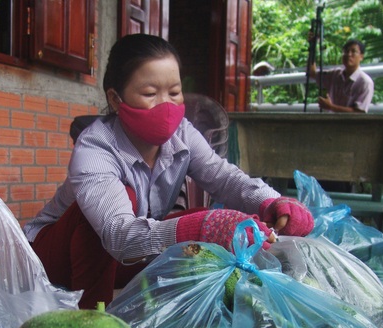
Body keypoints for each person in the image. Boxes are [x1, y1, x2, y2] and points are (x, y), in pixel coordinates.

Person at [24, 34, 314, 309]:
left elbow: (223, 177)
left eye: (174, 92)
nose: (166, 105)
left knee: (205, 220)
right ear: (115, 99)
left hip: (120, 258)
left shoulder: (182, 134)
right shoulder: (95, 148)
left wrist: (271, 202)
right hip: (55, 259)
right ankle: (93, 320)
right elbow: (118, 235)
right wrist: (202, 227)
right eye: (150, 93)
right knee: (164, 218)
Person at [309, 39, 374, 113]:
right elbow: (312, 73)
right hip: (330, 123)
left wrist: (331, 107)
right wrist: (312, 46)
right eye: (346, 51)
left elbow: (359, 112)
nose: (349, 54)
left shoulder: (365, 82)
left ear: (361, 57)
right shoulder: (335, 74)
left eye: (353, 51)